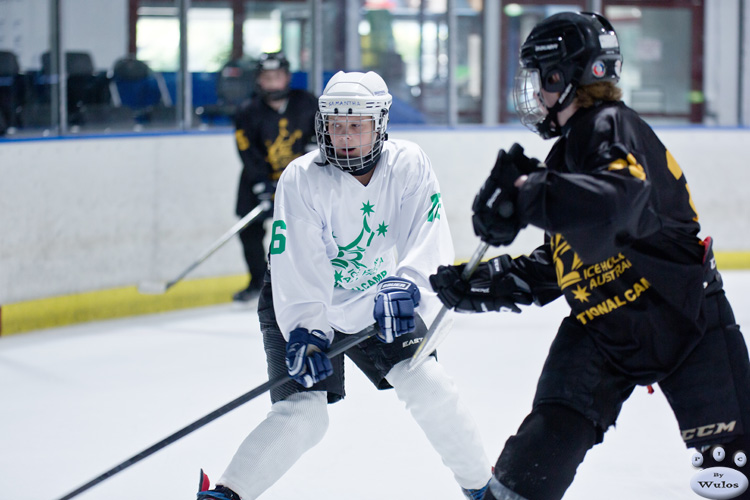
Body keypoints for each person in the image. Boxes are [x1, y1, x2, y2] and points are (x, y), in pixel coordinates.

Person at [429, 11, 750, 500]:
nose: (534, 93)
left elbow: (617, 200)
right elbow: (569, 259)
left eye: (540, 79)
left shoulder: (609, 126)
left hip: (683, 315)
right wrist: (485, 282)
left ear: (564, 77)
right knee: (536, 459)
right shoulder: (570, 151)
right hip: (603, 327)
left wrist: (525, 191)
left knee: (736, 471)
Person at [196, 70, 492, 500]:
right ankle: (225, 495)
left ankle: (485, 490)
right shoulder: (301, 177)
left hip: (378, 296)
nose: (346, 136)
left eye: (357, 125)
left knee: (427, 384)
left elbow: (427, 240)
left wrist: (406, 288)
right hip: (297, 303)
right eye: (336, 125)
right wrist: (307, 332)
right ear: (323, 126)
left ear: (380, 124)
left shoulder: (408, 163)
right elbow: (298, 266)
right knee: (305, 415)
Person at [232, 51, 318, 302]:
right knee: (249, 230)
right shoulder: (247, 111)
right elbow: (246, 150)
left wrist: (306, 173)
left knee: (301, 230)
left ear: (287, 77)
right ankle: (257, 282)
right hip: (257, 178)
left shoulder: (308, 103)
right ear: (259, 80)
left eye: (277, 76)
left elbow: (317, 140)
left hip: (300, 180)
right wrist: (262, 185)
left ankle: (299, 282)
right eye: (267, 77)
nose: (272, 83)